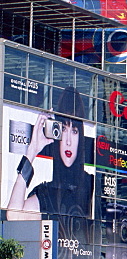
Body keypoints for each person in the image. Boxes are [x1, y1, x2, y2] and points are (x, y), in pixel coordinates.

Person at [6, 87, 93, 223]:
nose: (68, 141)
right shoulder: (47, 193)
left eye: (74, 131)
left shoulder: (92, 183)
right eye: (63, 129)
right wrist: (32, 150)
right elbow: (13, 216)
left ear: (80, 136)